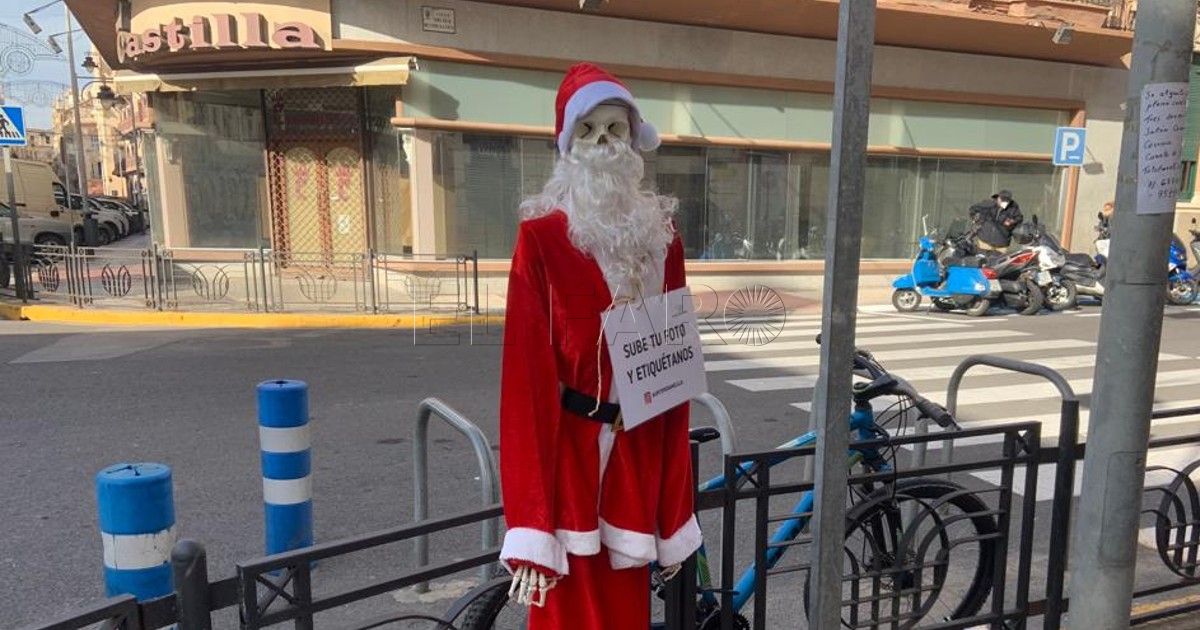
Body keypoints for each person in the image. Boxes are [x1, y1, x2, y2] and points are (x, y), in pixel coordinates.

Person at [498, 63, 702, 630]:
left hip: (635, 463)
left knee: (625, 615)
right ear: (567, 146)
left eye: (615, 129)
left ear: (635, 140)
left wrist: (673, 509)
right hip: (568, 466)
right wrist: (531, 523)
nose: (603, 145)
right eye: (587, 131)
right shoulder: (541, 240)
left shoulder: (661, 240)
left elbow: (674, 382)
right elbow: (525, 385)